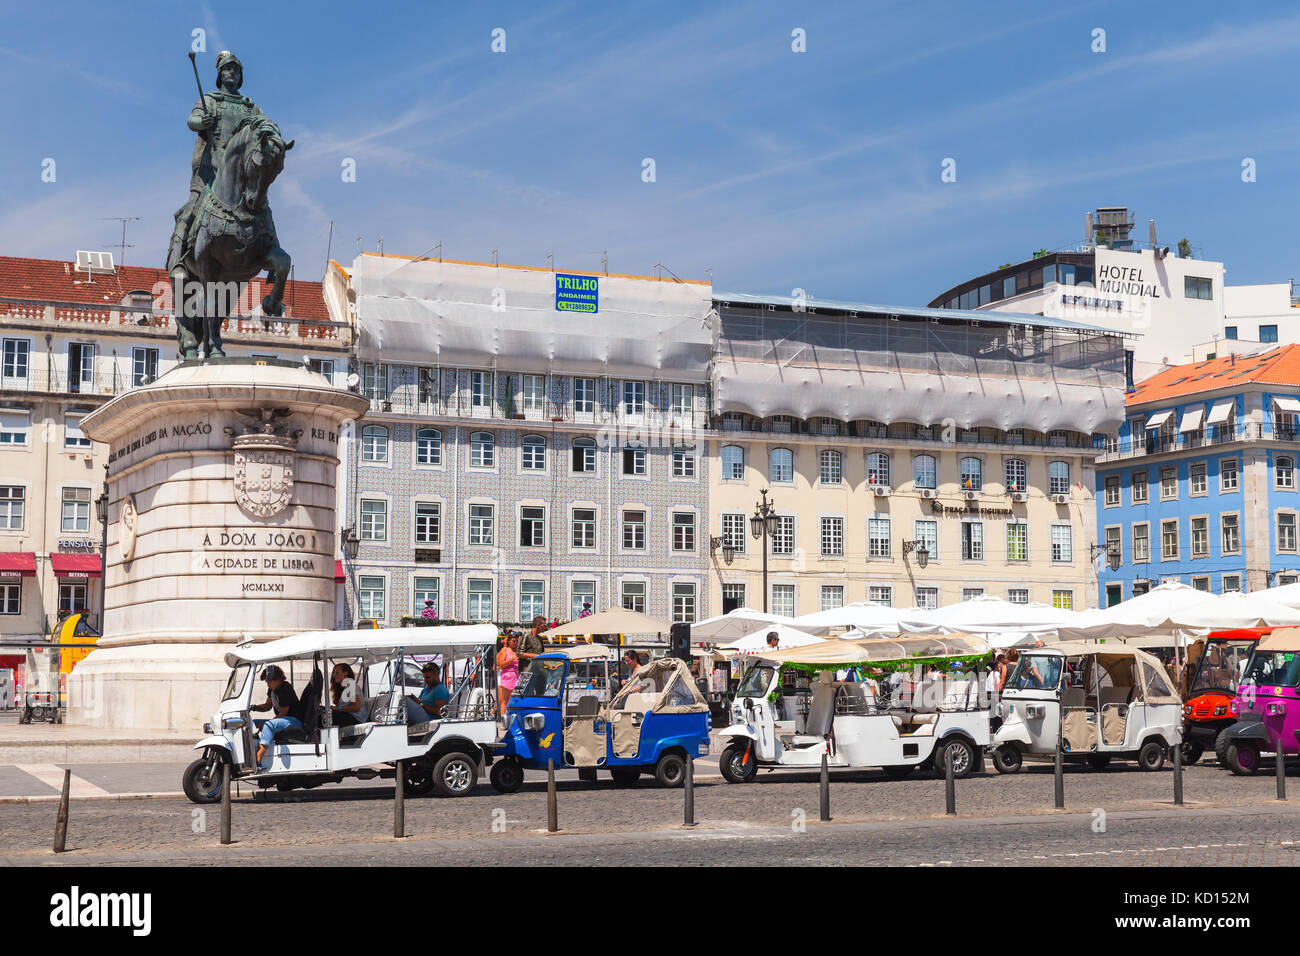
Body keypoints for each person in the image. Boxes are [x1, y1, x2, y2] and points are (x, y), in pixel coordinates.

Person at [251, 665, 301, 769]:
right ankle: (251, 749)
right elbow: (267, 706)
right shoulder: (272, 689)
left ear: (277, 680)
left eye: (269, 682)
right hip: (283, 720)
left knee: (269, 725)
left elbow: (284, 712)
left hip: (294, 721)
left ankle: (259, 758)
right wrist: (253, 707)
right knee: (253, 723)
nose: (268, 685)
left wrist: (267, 724)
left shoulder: (284, 688)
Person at [329, 663, 366, 728]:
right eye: (333, 673)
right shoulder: (344, 689)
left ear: (345, 673)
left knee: (324, 715)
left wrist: (338, 708)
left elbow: (356, 707)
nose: (334, 676)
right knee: (322, 711)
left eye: (336, 673)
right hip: (347, 717)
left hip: (355, 719)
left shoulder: (351, 686)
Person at [497, 632, 522, 717]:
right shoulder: (504, 650)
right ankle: (504, 720)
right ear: (509, 641)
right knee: (505, 701)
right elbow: (500, 664)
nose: (516, 643)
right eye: (514, 641)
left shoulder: (518, 651)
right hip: (507, 677)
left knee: (516, 701)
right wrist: (511, 659)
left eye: (517, 641)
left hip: (517, 678)